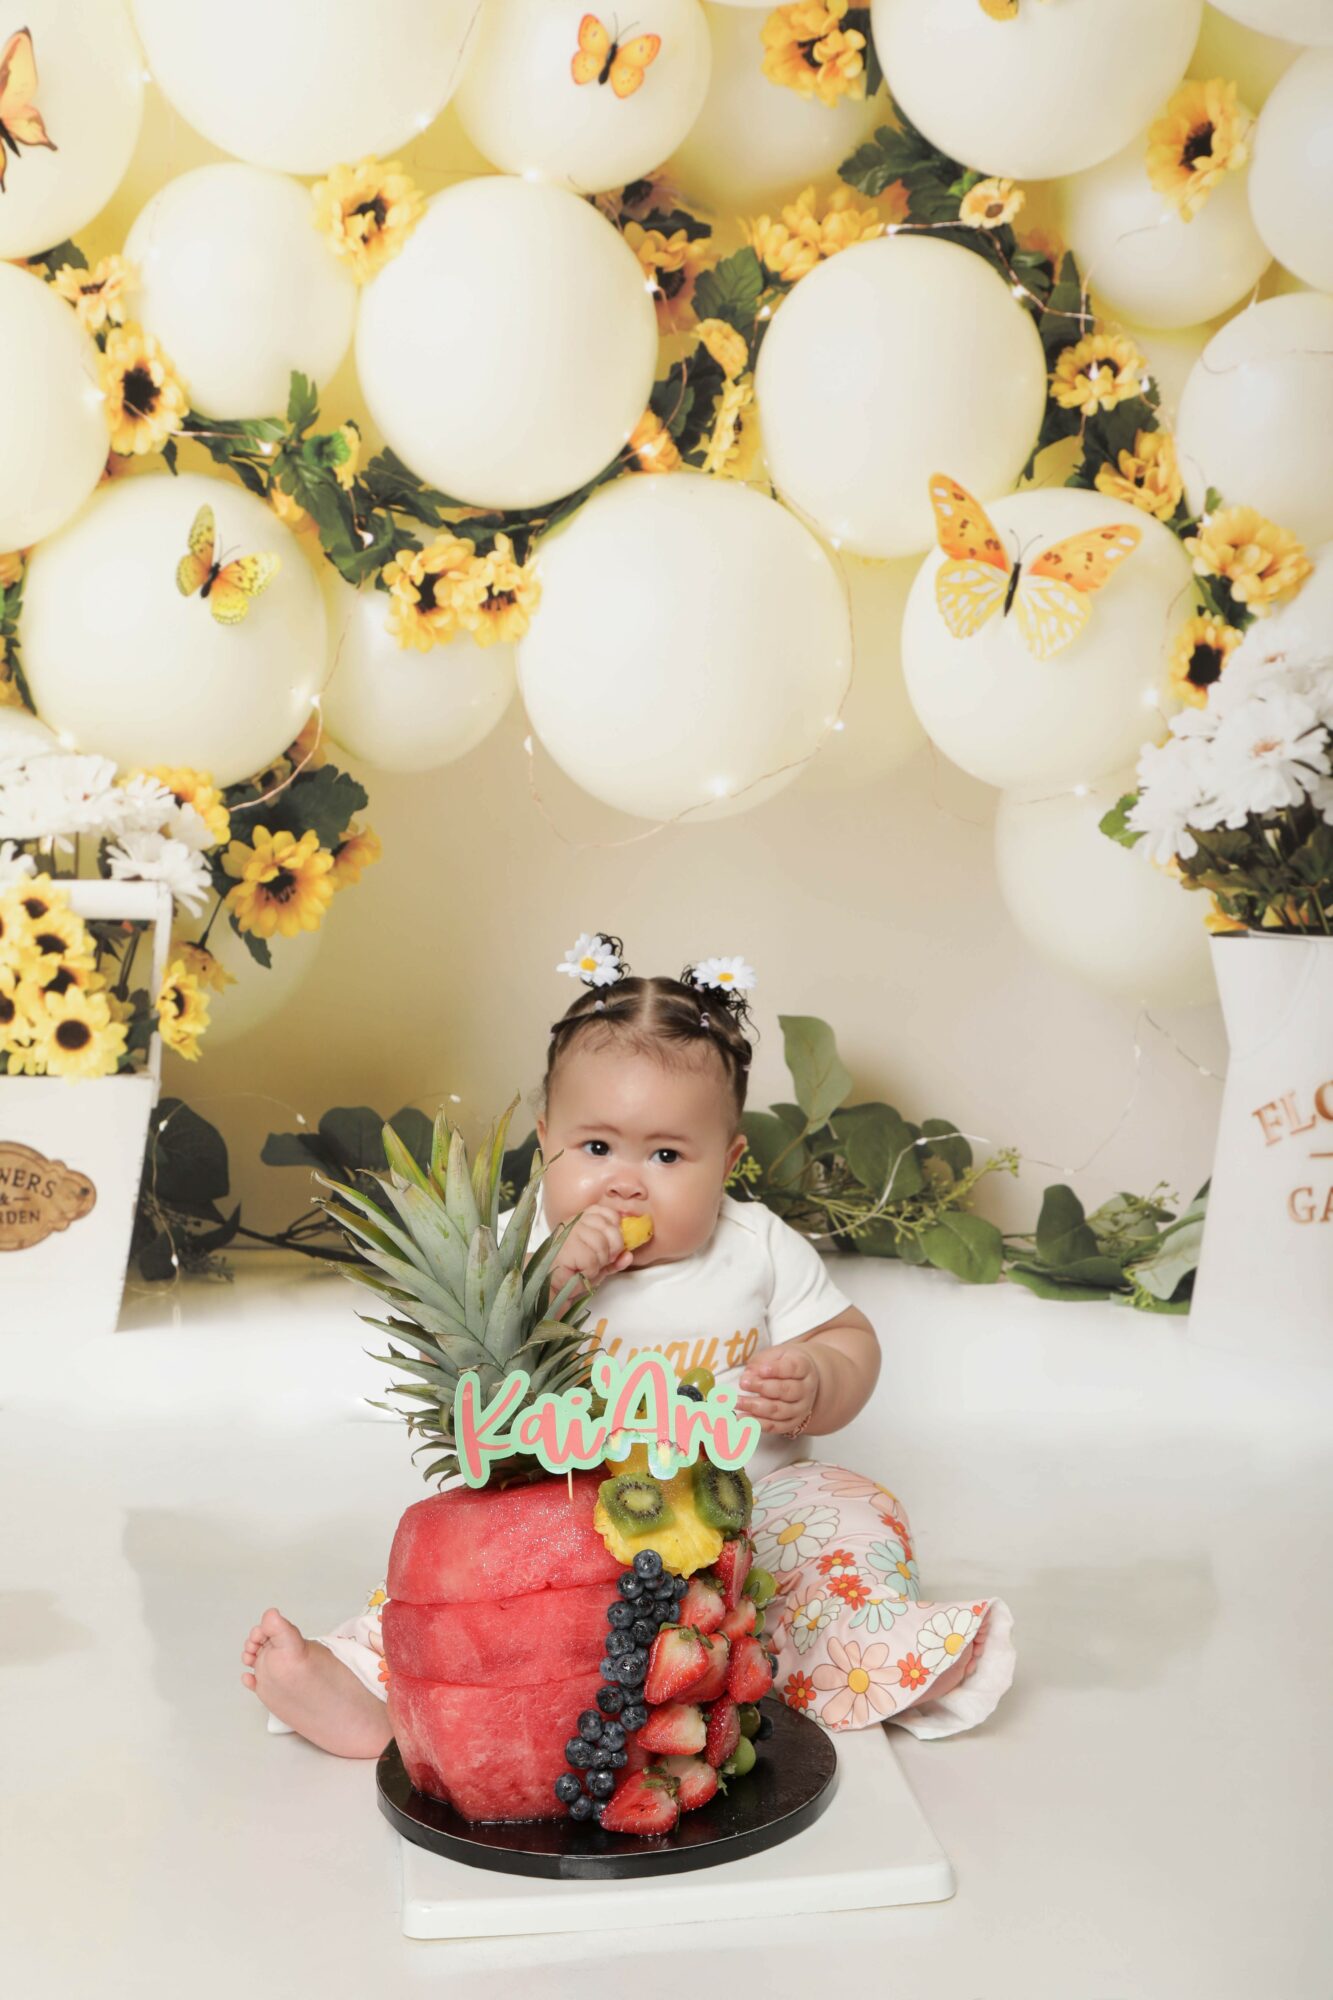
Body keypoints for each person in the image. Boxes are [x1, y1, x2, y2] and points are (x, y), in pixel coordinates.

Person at [242, 935, 1013, 1755]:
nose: (625, 1181)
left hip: (747, 1515)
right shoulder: (511, 1249)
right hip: (564, 1520)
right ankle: (367, 1684)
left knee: (847, 1509)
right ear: (545, 1137)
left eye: (667, 1155)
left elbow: (847, 1337)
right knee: (461, 1575)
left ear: (728, 1162)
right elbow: (457, 1372)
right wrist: (548, 1285)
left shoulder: (753, 1244)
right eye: (595, 1148)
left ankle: (873, 1652)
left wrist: (818, 1378)